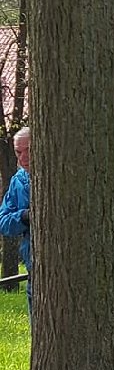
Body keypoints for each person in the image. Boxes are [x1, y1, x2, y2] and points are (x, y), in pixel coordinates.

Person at [0, 126, 32, 307]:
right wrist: (23, 216)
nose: (23, 157)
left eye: (28, 150)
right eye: (18, 152)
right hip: (33, 266)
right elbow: (3, 221)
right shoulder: (18, 181)